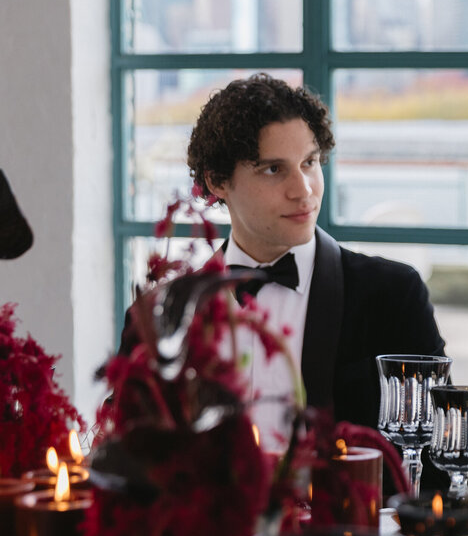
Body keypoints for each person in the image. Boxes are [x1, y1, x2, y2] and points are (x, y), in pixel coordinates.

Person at [182, 73, 446, 486]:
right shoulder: (165, 314)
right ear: (218, 181)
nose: (303, 190)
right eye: (274, 169)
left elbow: (437, 467)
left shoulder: (393, 295)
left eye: (309, 162)